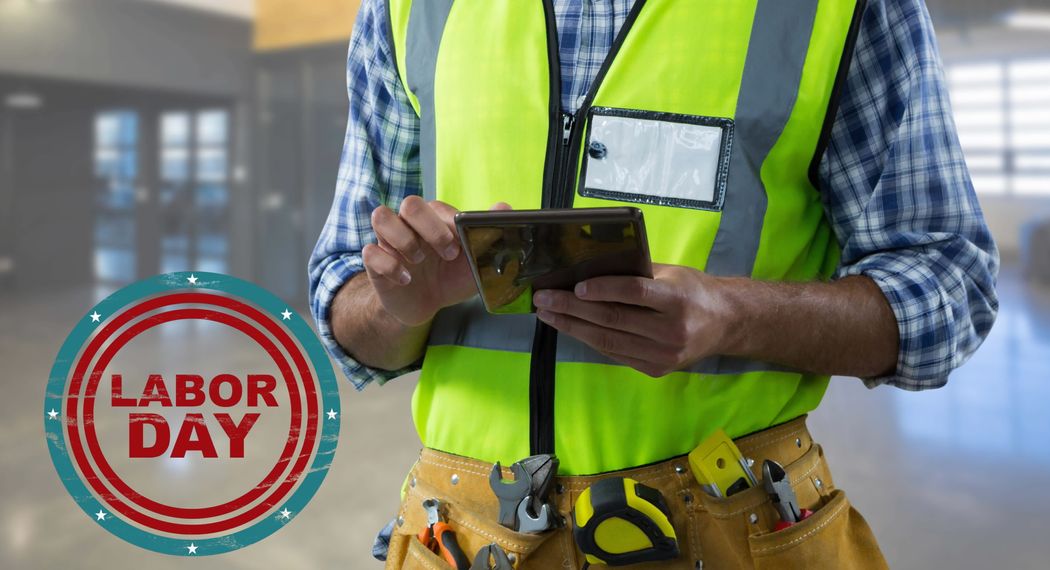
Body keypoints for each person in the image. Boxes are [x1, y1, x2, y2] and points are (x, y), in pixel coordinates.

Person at [309, 0, 999, 567]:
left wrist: (733, 316)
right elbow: (343, 303)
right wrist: (403, 304)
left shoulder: (838, 11)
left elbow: (950, 285)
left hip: (729, 521)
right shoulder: (407, 10)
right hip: (466, 532)